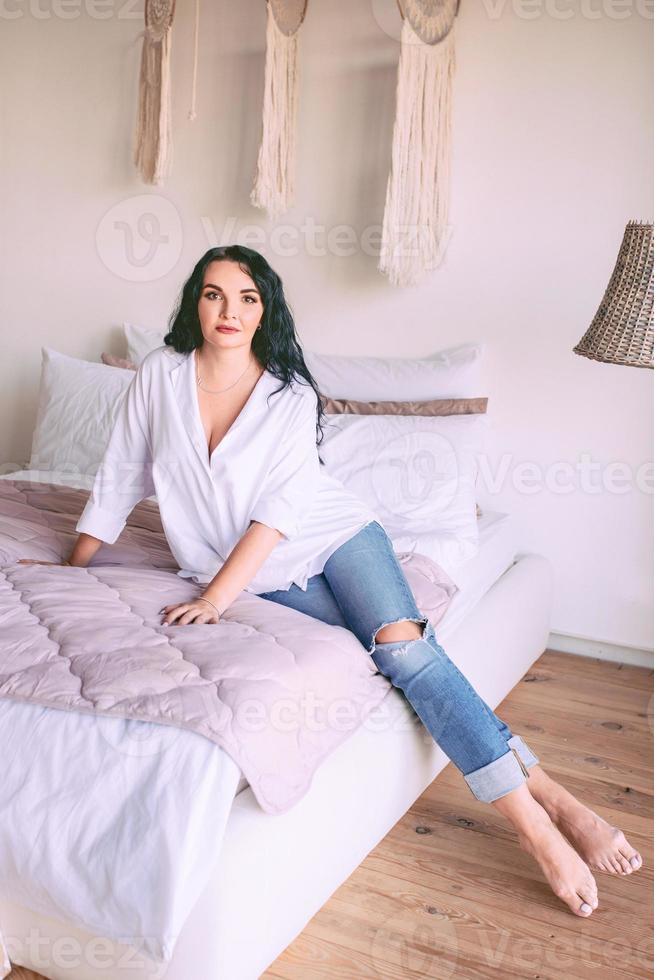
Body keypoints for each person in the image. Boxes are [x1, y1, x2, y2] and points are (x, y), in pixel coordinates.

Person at [19, 245, 642, 917]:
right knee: (397, 662)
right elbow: (116, 477)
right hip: (259, 576)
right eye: (214, 294)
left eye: (247, 297)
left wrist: (214, 599)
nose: (229, 310)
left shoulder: (288, 393)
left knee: (405, 650)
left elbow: (279, 515)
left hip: (332, 537)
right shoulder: (160, 377)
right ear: (193, 303)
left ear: (267, 309)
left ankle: (535, 827)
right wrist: (70, 568)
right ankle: (551, 792)